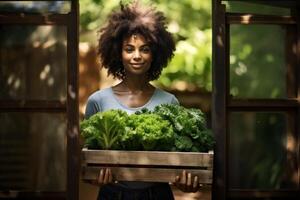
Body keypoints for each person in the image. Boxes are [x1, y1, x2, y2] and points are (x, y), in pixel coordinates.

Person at [84, 1, 200, 199]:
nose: (136, 56)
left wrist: (187, 183)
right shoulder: (98, 101)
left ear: (155, 54)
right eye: (129, 49)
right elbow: (88, 163)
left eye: (145, 49)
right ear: (118, 54)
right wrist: (95, 178)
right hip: (113, 195)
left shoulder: (169, 102)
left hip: (158, 195)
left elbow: (179, 164)